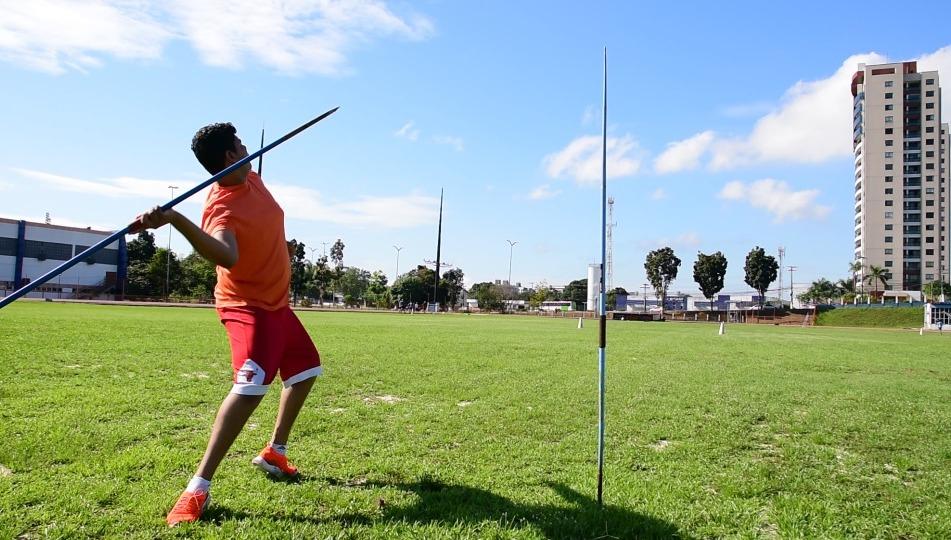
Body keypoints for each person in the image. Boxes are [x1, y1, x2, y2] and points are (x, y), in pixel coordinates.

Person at [130, 123, 322, 526]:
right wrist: (175, 220)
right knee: (251, 386)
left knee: (305, 371)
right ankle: (196, 489)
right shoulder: (222, 206)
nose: (247, 147)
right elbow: (225, 256)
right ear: (231, 157)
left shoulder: (252, 177)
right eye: (241, 145)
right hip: (247, 305)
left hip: (277, 304)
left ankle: (275, 452)